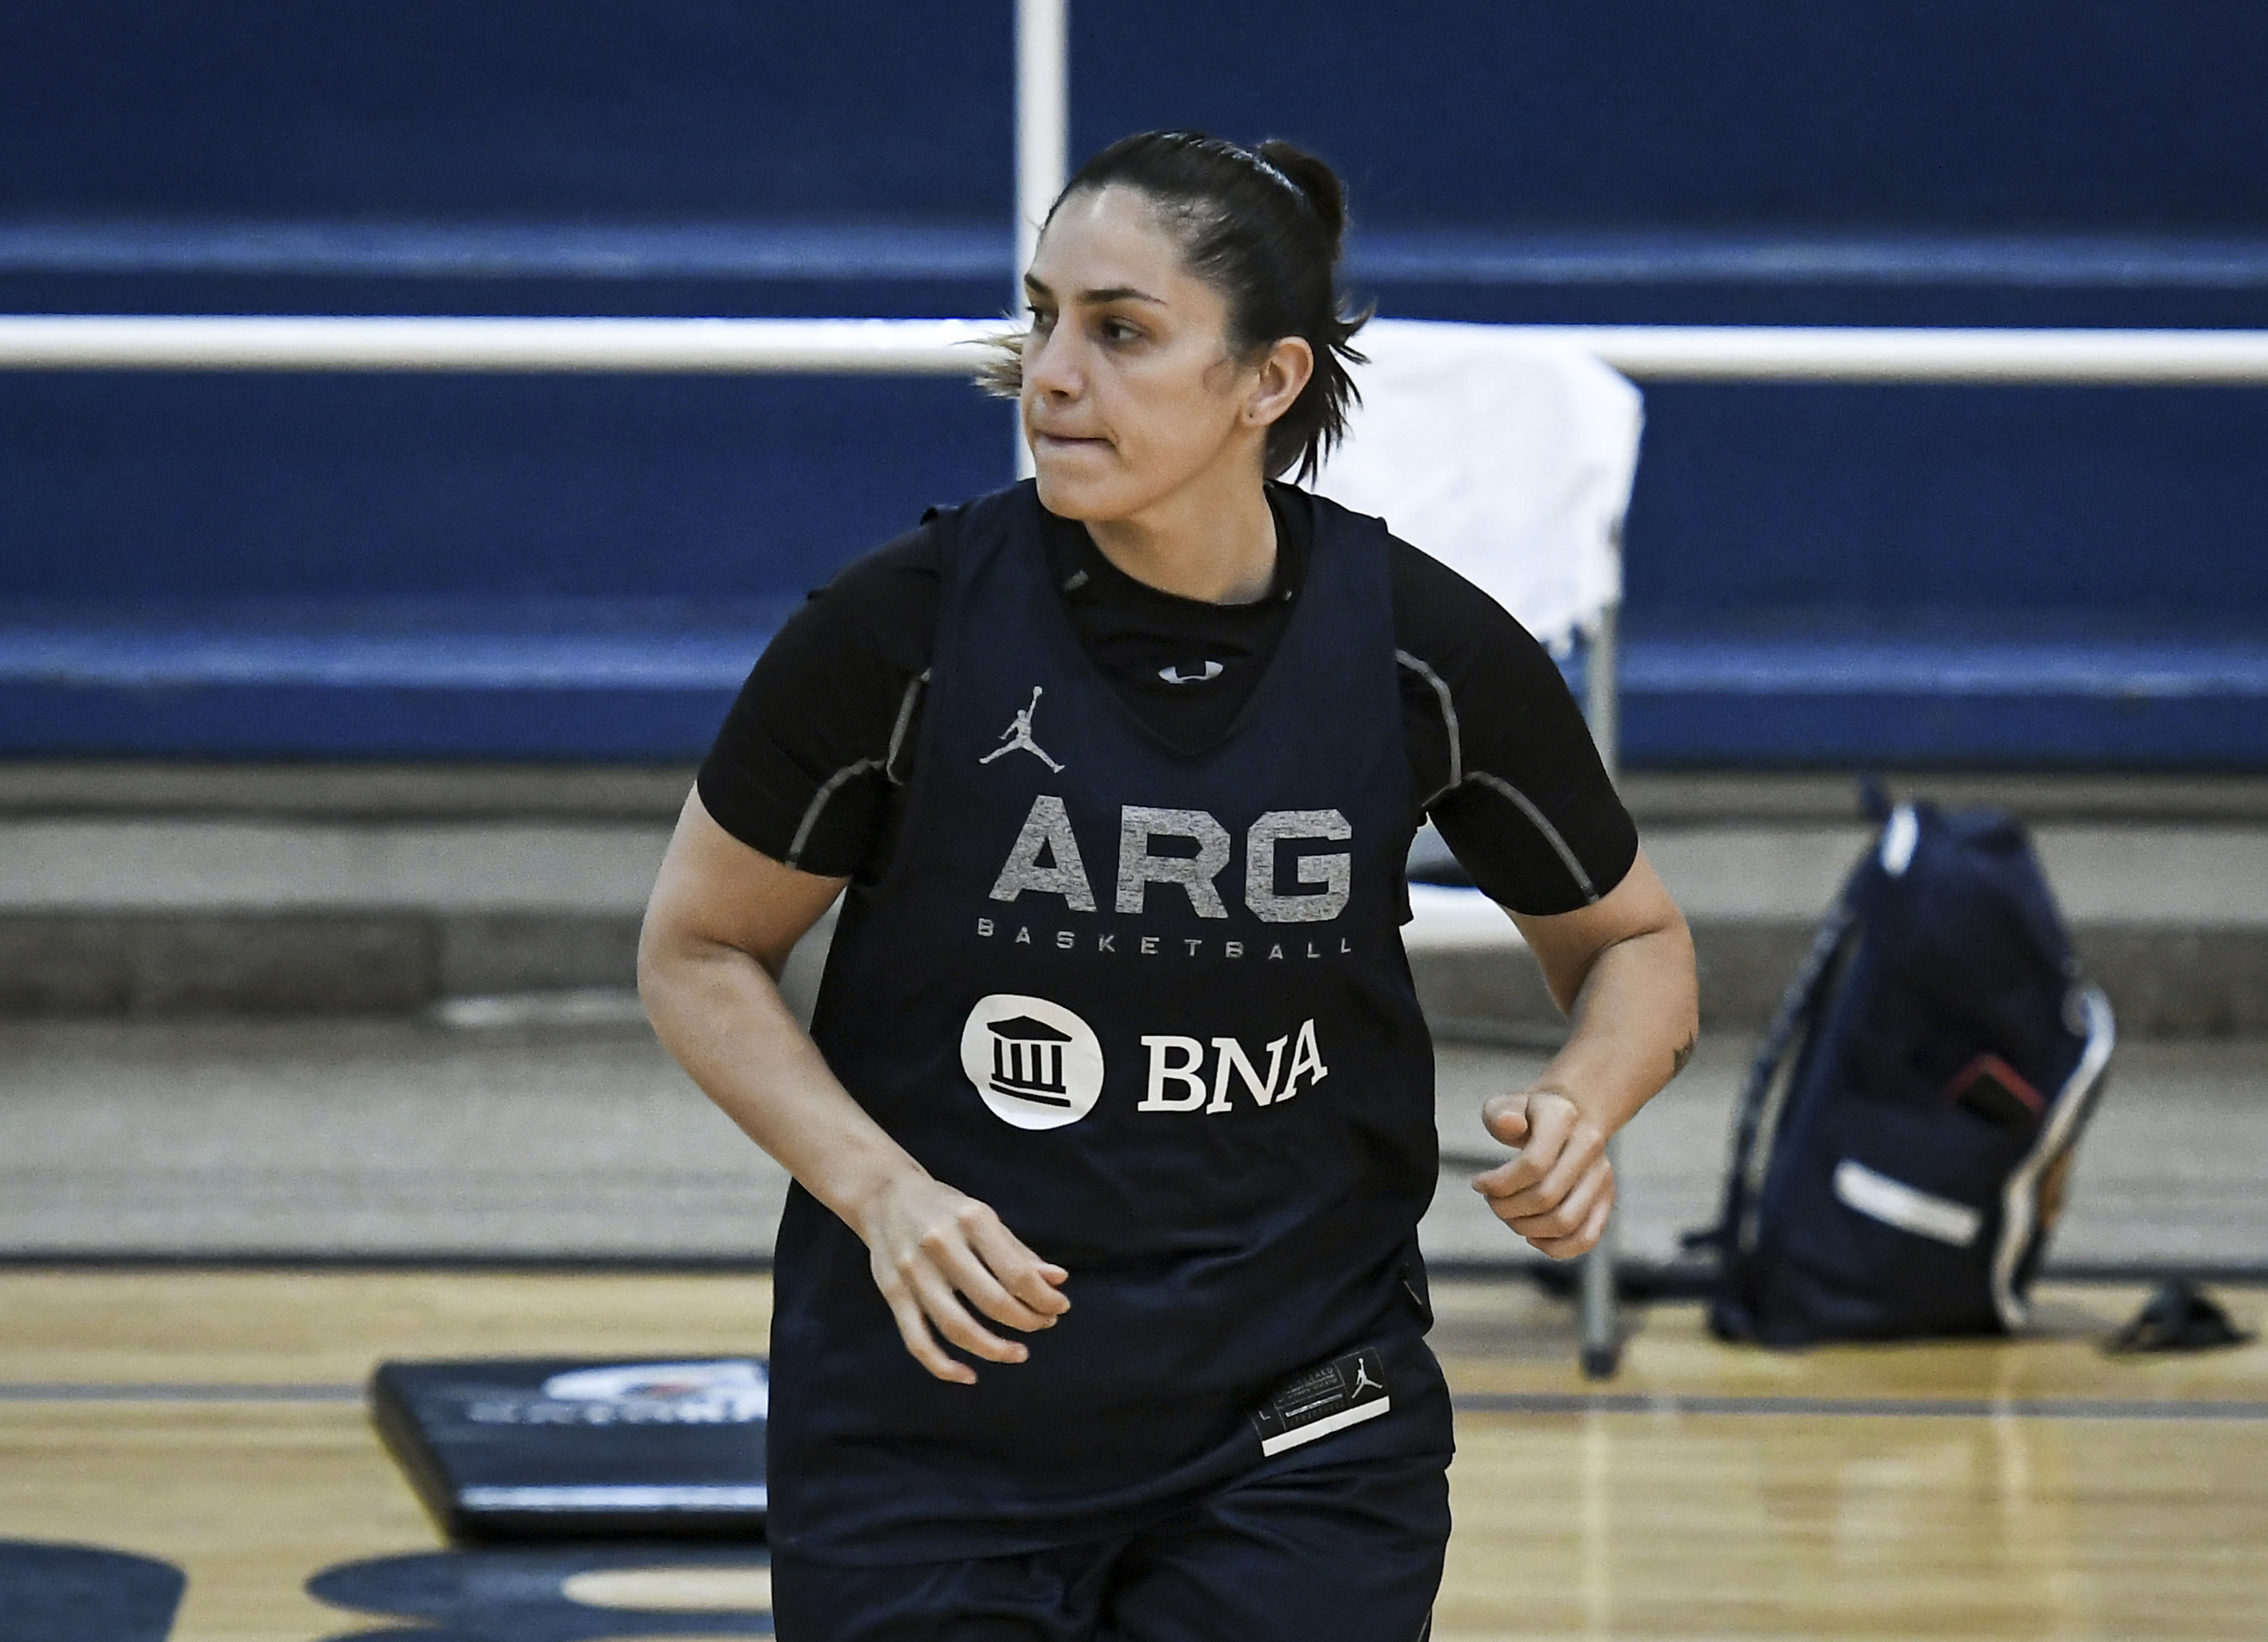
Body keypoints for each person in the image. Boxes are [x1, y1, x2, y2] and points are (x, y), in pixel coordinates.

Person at [640, 130, 1698, 1641]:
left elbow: (1636, 942)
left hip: (1299, 1420)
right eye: (1043, 315)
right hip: (933, 1423)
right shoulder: (899, 632)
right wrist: (880, 1192)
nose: (1052, 372)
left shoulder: (1423, 649)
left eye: (1121, 331)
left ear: (1267, 381)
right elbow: (696, 951)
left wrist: (1587, 1101)